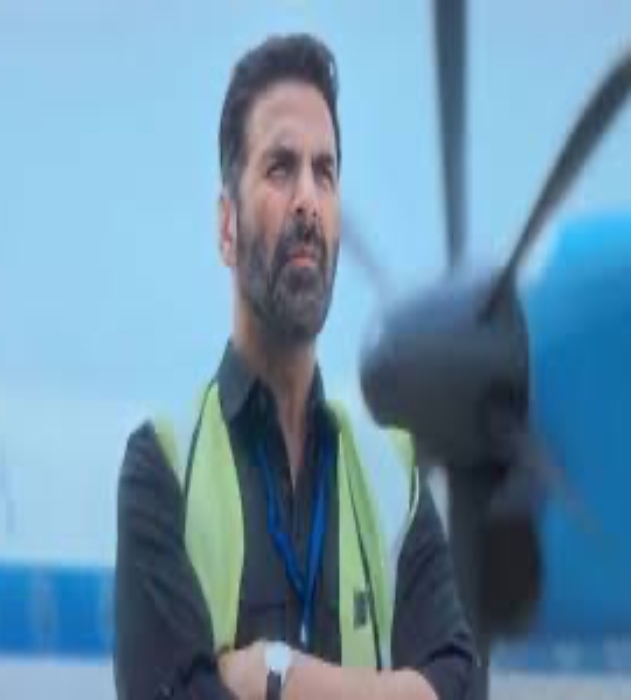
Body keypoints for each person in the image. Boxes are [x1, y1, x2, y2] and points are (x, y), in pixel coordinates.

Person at [115, 33, 477, 700]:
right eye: (280, 169)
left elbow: (461, 686)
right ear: (227, 226)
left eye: (325, 172)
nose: (308, 199)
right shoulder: (162, 469)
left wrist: (274, 674)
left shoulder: (394, 479)